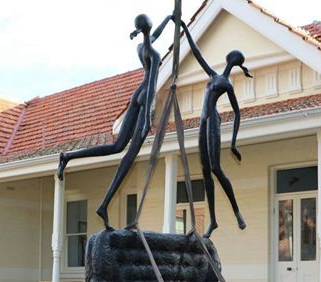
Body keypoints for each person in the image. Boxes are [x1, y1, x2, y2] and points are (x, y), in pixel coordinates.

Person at [57, 13, 173, 230]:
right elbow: (152, 89)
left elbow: (152, 36)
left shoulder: (141, 48)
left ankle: (68, 156)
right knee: (129, 155)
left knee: (116, 146)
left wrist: (169, 18)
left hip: (135, 94)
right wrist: (147, 116)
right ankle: (104, 205)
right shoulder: (155, 55)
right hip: (145, 95)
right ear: (149, 27)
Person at [180, 21, 251, 238]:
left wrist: (233, 143)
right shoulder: (213, 76)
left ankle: (237, 212)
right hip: (203, 124)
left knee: (215, 169)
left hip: (213, 123)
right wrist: (184, 26)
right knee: (205, 173)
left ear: (232, 60)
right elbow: (196, 52)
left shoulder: (226, 84)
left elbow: (237, 112)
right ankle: (213, 221)